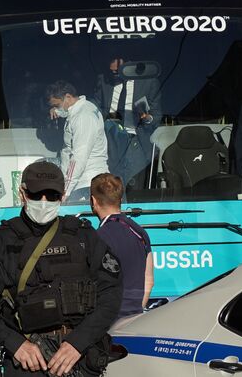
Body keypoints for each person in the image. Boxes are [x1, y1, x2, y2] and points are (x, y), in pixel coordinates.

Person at [0, 161, 122, 377]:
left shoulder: (83, 236)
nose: (44, 202)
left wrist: (78, 343)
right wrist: (15, 343)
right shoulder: (1, 242)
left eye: (51, 196)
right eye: (36, 194)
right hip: (28, 363)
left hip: (79, 359)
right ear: (22, 193)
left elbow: (111, 293)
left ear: (62, 196)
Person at [90, 173, 154, 318]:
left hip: (106, 320)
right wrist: (134, 313)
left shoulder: (97, 237)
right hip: (133, 319)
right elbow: (149, 281)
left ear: (93, 201)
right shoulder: (140, 232)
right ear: (120, 199)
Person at [94, 57, 162, 189]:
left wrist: (147, 118)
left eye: (117, 71)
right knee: (110, 185)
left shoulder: (149, 82)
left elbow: (157, 115)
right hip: (109, 139)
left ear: (129, 65)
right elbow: (95, 105)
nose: (113, 73)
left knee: (134, 185)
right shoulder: (104, 80)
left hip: (134, 140)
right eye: (111, 71)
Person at [47, 80, 109, 202]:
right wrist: (58, 110)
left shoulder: (82, 118)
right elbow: (68, 111)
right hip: (83, 180)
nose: (55, 108)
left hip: (85, 183)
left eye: (57, 105)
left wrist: (65, 190)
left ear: (68, 97)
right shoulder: (86, 106)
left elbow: (79, 157)